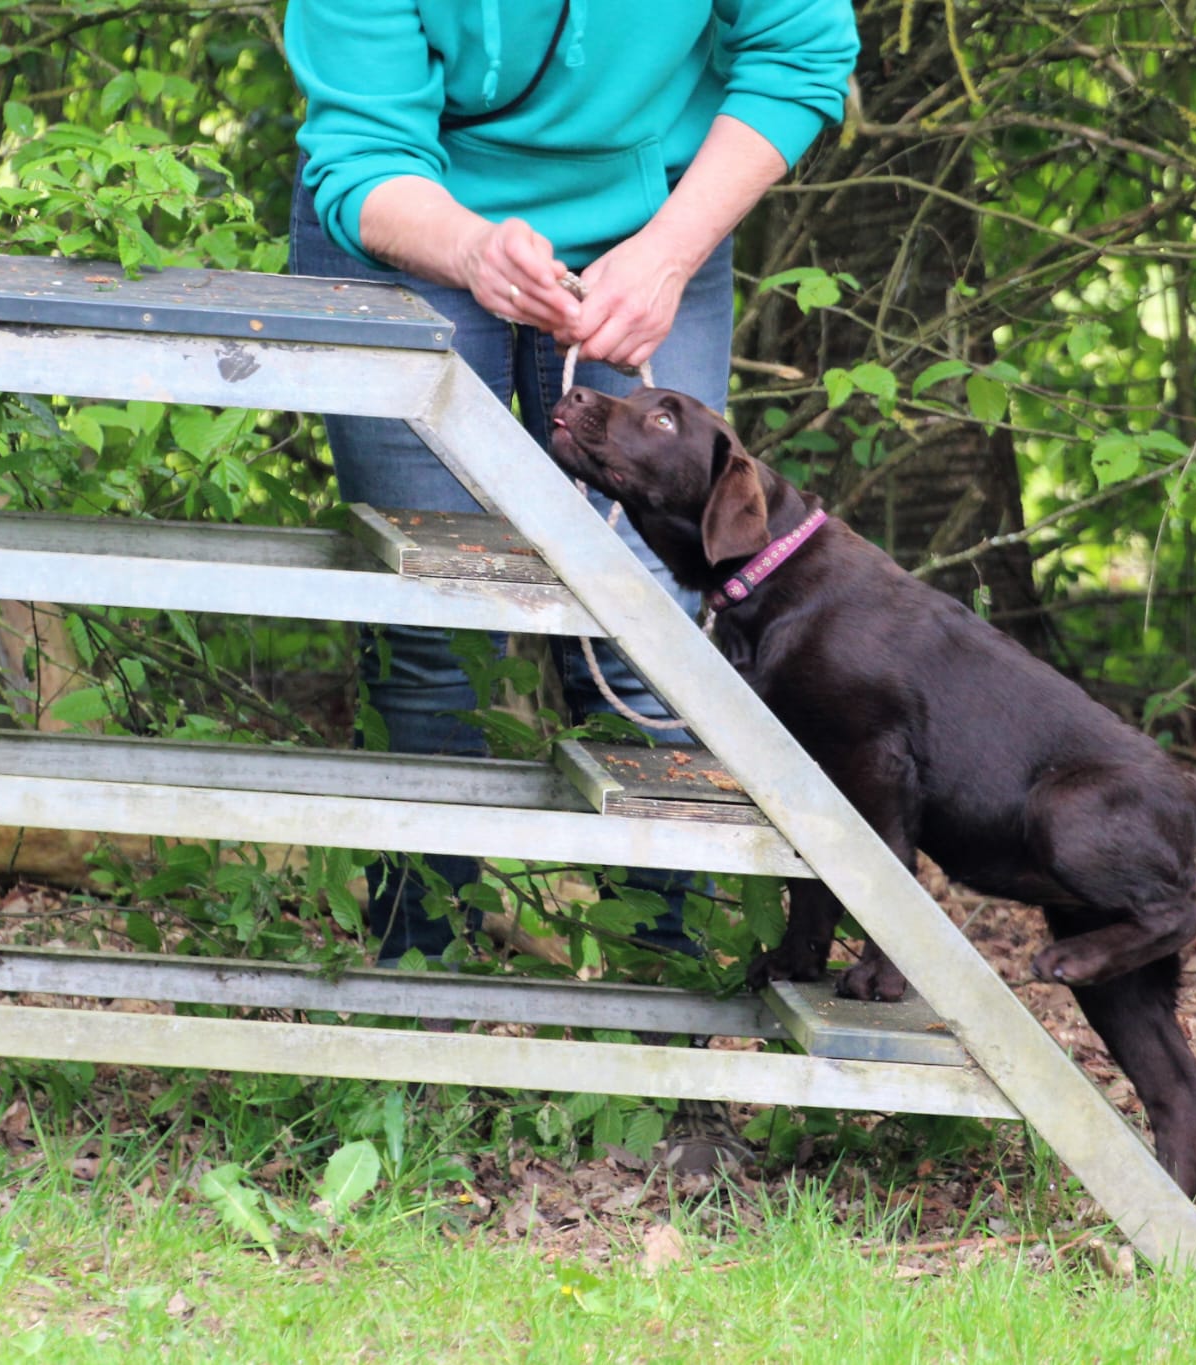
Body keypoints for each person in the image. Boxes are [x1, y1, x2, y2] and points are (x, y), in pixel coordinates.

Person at [285, 0, 858, 963]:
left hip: (653, 223)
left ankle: (659, 1019)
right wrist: (471, 249)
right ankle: (411, 1014)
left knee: (648, 632)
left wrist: (668, 256)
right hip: (411, 222)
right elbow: (361, 150)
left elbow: (801, 52)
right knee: (431, 629)